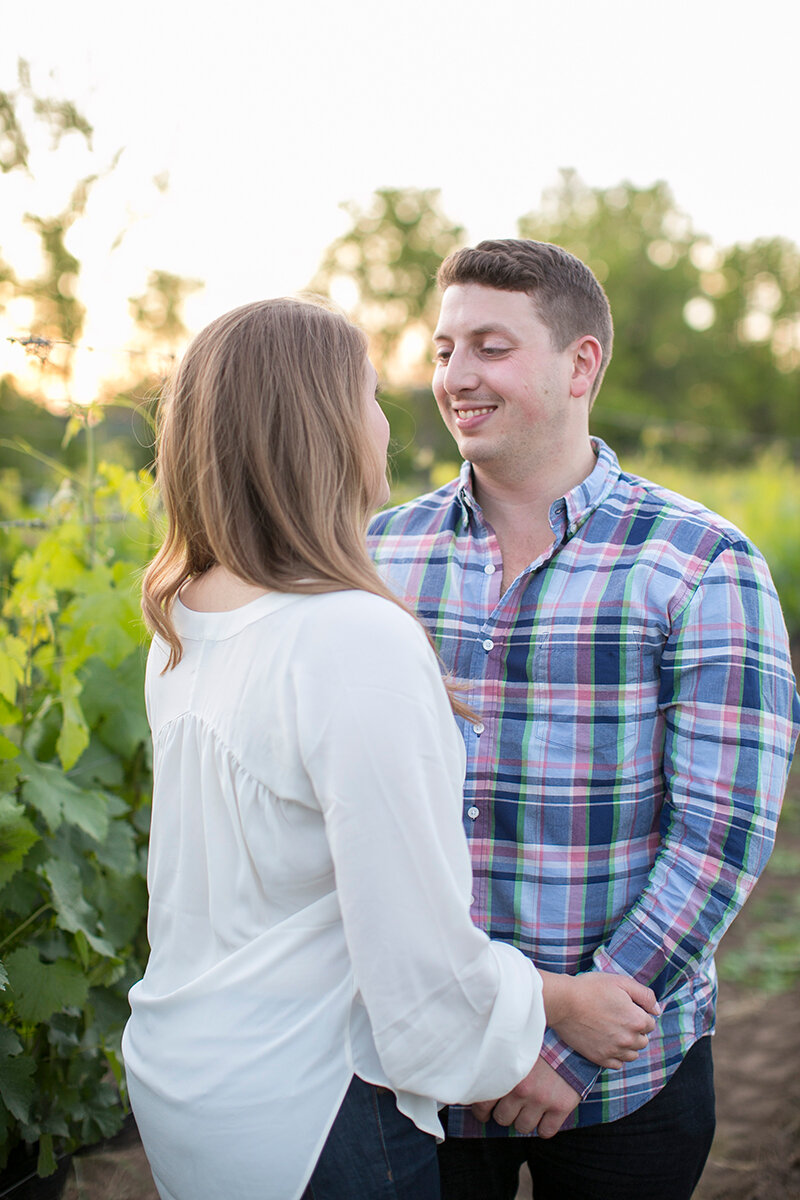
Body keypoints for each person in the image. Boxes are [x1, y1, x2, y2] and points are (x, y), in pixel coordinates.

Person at [121, 297, 659, 1200]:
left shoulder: (188, 614)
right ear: (321, 429)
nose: (386, 424)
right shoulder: (349, 636)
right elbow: (419, 981)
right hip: (316, 1109)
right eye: (368, 397)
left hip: (193, 1082)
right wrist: (560, 1004)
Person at [368, 240, 800, 1200]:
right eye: (442, 350)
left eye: (491, 346)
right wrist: (479, 1028)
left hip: (624, 1076)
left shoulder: (699, 562)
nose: (455, 377)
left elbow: (720, 835)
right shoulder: (378, 556)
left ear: (581, 364)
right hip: (424, 1071)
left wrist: (569, 1046)